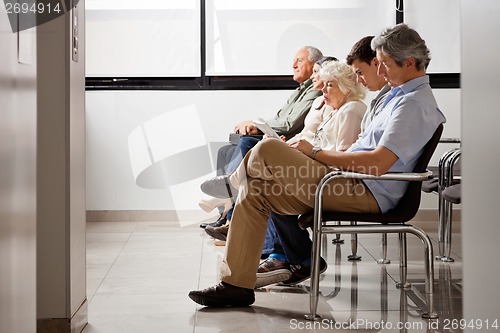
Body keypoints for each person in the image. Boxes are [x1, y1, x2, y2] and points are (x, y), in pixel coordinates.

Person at [188, 23, 446, 308]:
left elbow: (378, 162)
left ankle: (230, 184)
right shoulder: (393, 97)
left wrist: (317, 153)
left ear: (409, 62)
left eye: (384, 65)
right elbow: (365, 150)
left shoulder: (412, 105)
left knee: (268, 148)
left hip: (364, 191)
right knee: (256, 188)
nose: (380, 72)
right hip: (347, 180)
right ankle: (235, 284)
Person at [254, 35, 393, 288]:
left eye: (330, 85)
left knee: (266, 165)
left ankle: (290, 255)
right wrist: (303, 150)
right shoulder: (339, 109)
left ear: (346, 86)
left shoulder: (352, 110)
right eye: (324, 84)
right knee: (265, 177)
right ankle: (286, 255)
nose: (323, 89)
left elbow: (343, 157)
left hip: (337, 177)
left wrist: (310, 152)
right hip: (329, 171)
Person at [204, 56, 338, 243]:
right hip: (297, 145)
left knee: (250, 150)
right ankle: (228, 213)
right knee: (227, 151)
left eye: (300, 61)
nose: (294, 66)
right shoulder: (312, 97)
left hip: (309, 155)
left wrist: (261, 128)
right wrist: (282, 139)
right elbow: (299, 128)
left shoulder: (323, 99)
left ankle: (231, 202)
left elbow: (292, 125)